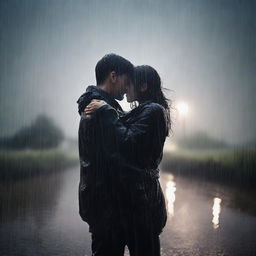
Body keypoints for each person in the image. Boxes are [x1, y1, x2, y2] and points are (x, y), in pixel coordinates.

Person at [84, 65, 171, 256]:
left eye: (129, 84)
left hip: (144, 202)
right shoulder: (145, 110)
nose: (125, 89)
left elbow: (127, 142)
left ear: (143, 87)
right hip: (137, 202)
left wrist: (106, 110)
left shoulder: (154, 111)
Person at [76, 53, 134, 250]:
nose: (128, 88)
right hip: (106, 204)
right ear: (113, 76)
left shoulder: (101, 105)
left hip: (104, 201)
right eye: (126, 81)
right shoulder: (99, 110)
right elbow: (116, 156)